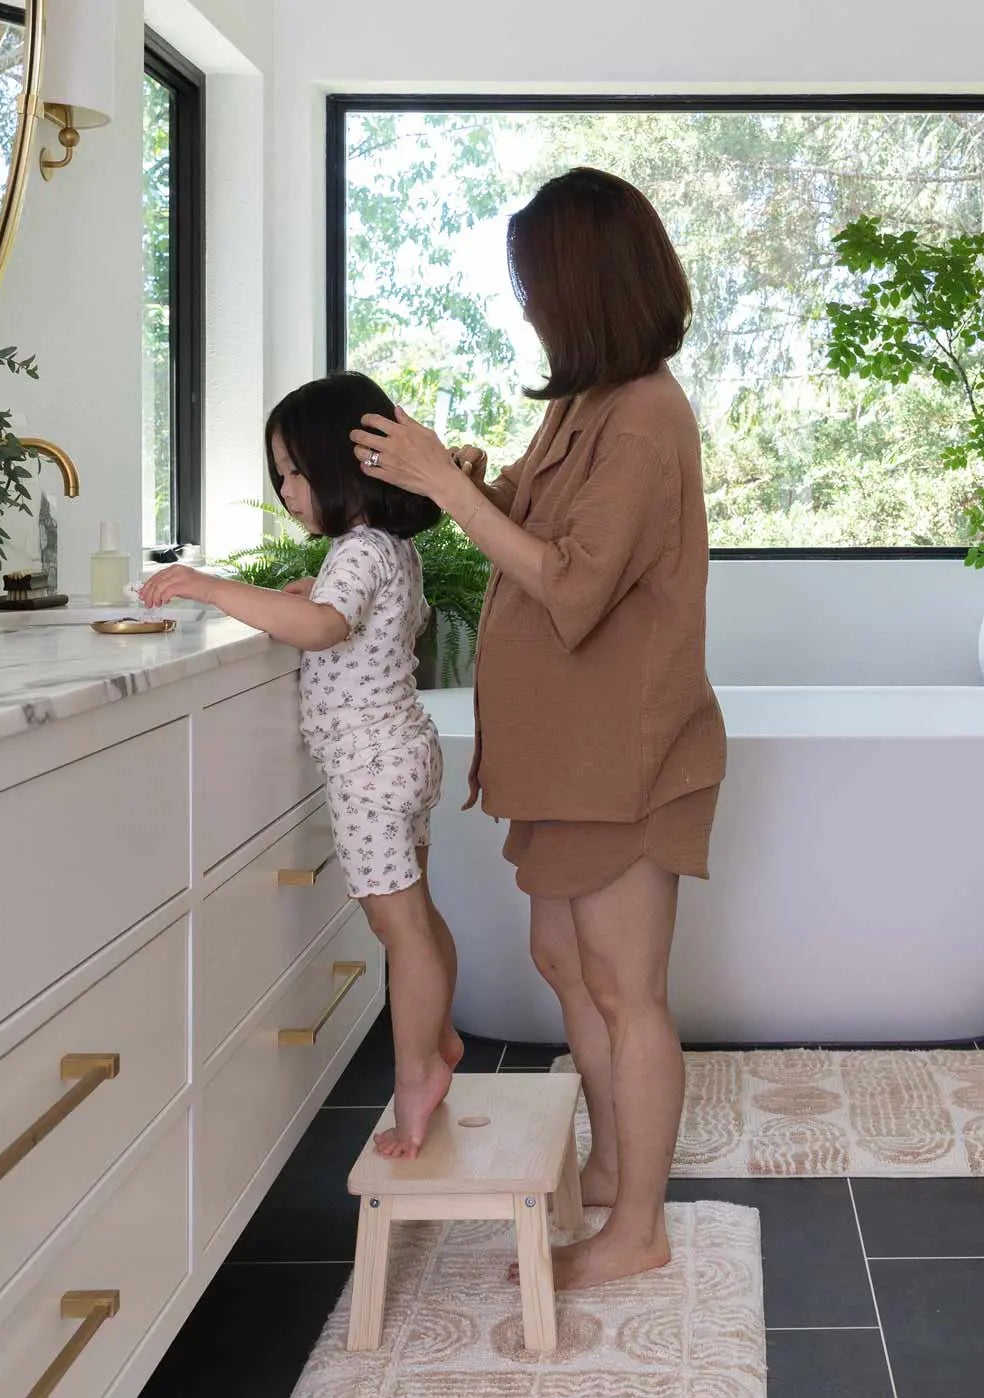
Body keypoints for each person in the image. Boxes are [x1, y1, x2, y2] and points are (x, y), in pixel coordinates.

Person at [349, 168, 726, 1289]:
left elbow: (572, 587)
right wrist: (472, 480)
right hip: (566, 754)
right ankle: (616, 1168)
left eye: (529, 283)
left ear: (579, 286)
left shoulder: (648, 415)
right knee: (566, 960)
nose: (522, 304)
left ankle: (636, 1229)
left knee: (624, 987)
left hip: (624, 755)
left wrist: (448, 492)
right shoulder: (582, 403)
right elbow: (530, 516)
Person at [140, 373, 461, 1158]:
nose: (283, 489)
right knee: (419, 919)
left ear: (340, 467)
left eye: (291, 471)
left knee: (402, 932)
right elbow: (360, 616)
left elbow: (323, 628)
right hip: (405, 750)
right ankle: (442, 1042)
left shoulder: (358, 550)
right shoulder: (391, 548)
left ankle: (416, 1072)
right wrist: (301, 591)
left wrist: (217, 588)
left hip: (366, 769)